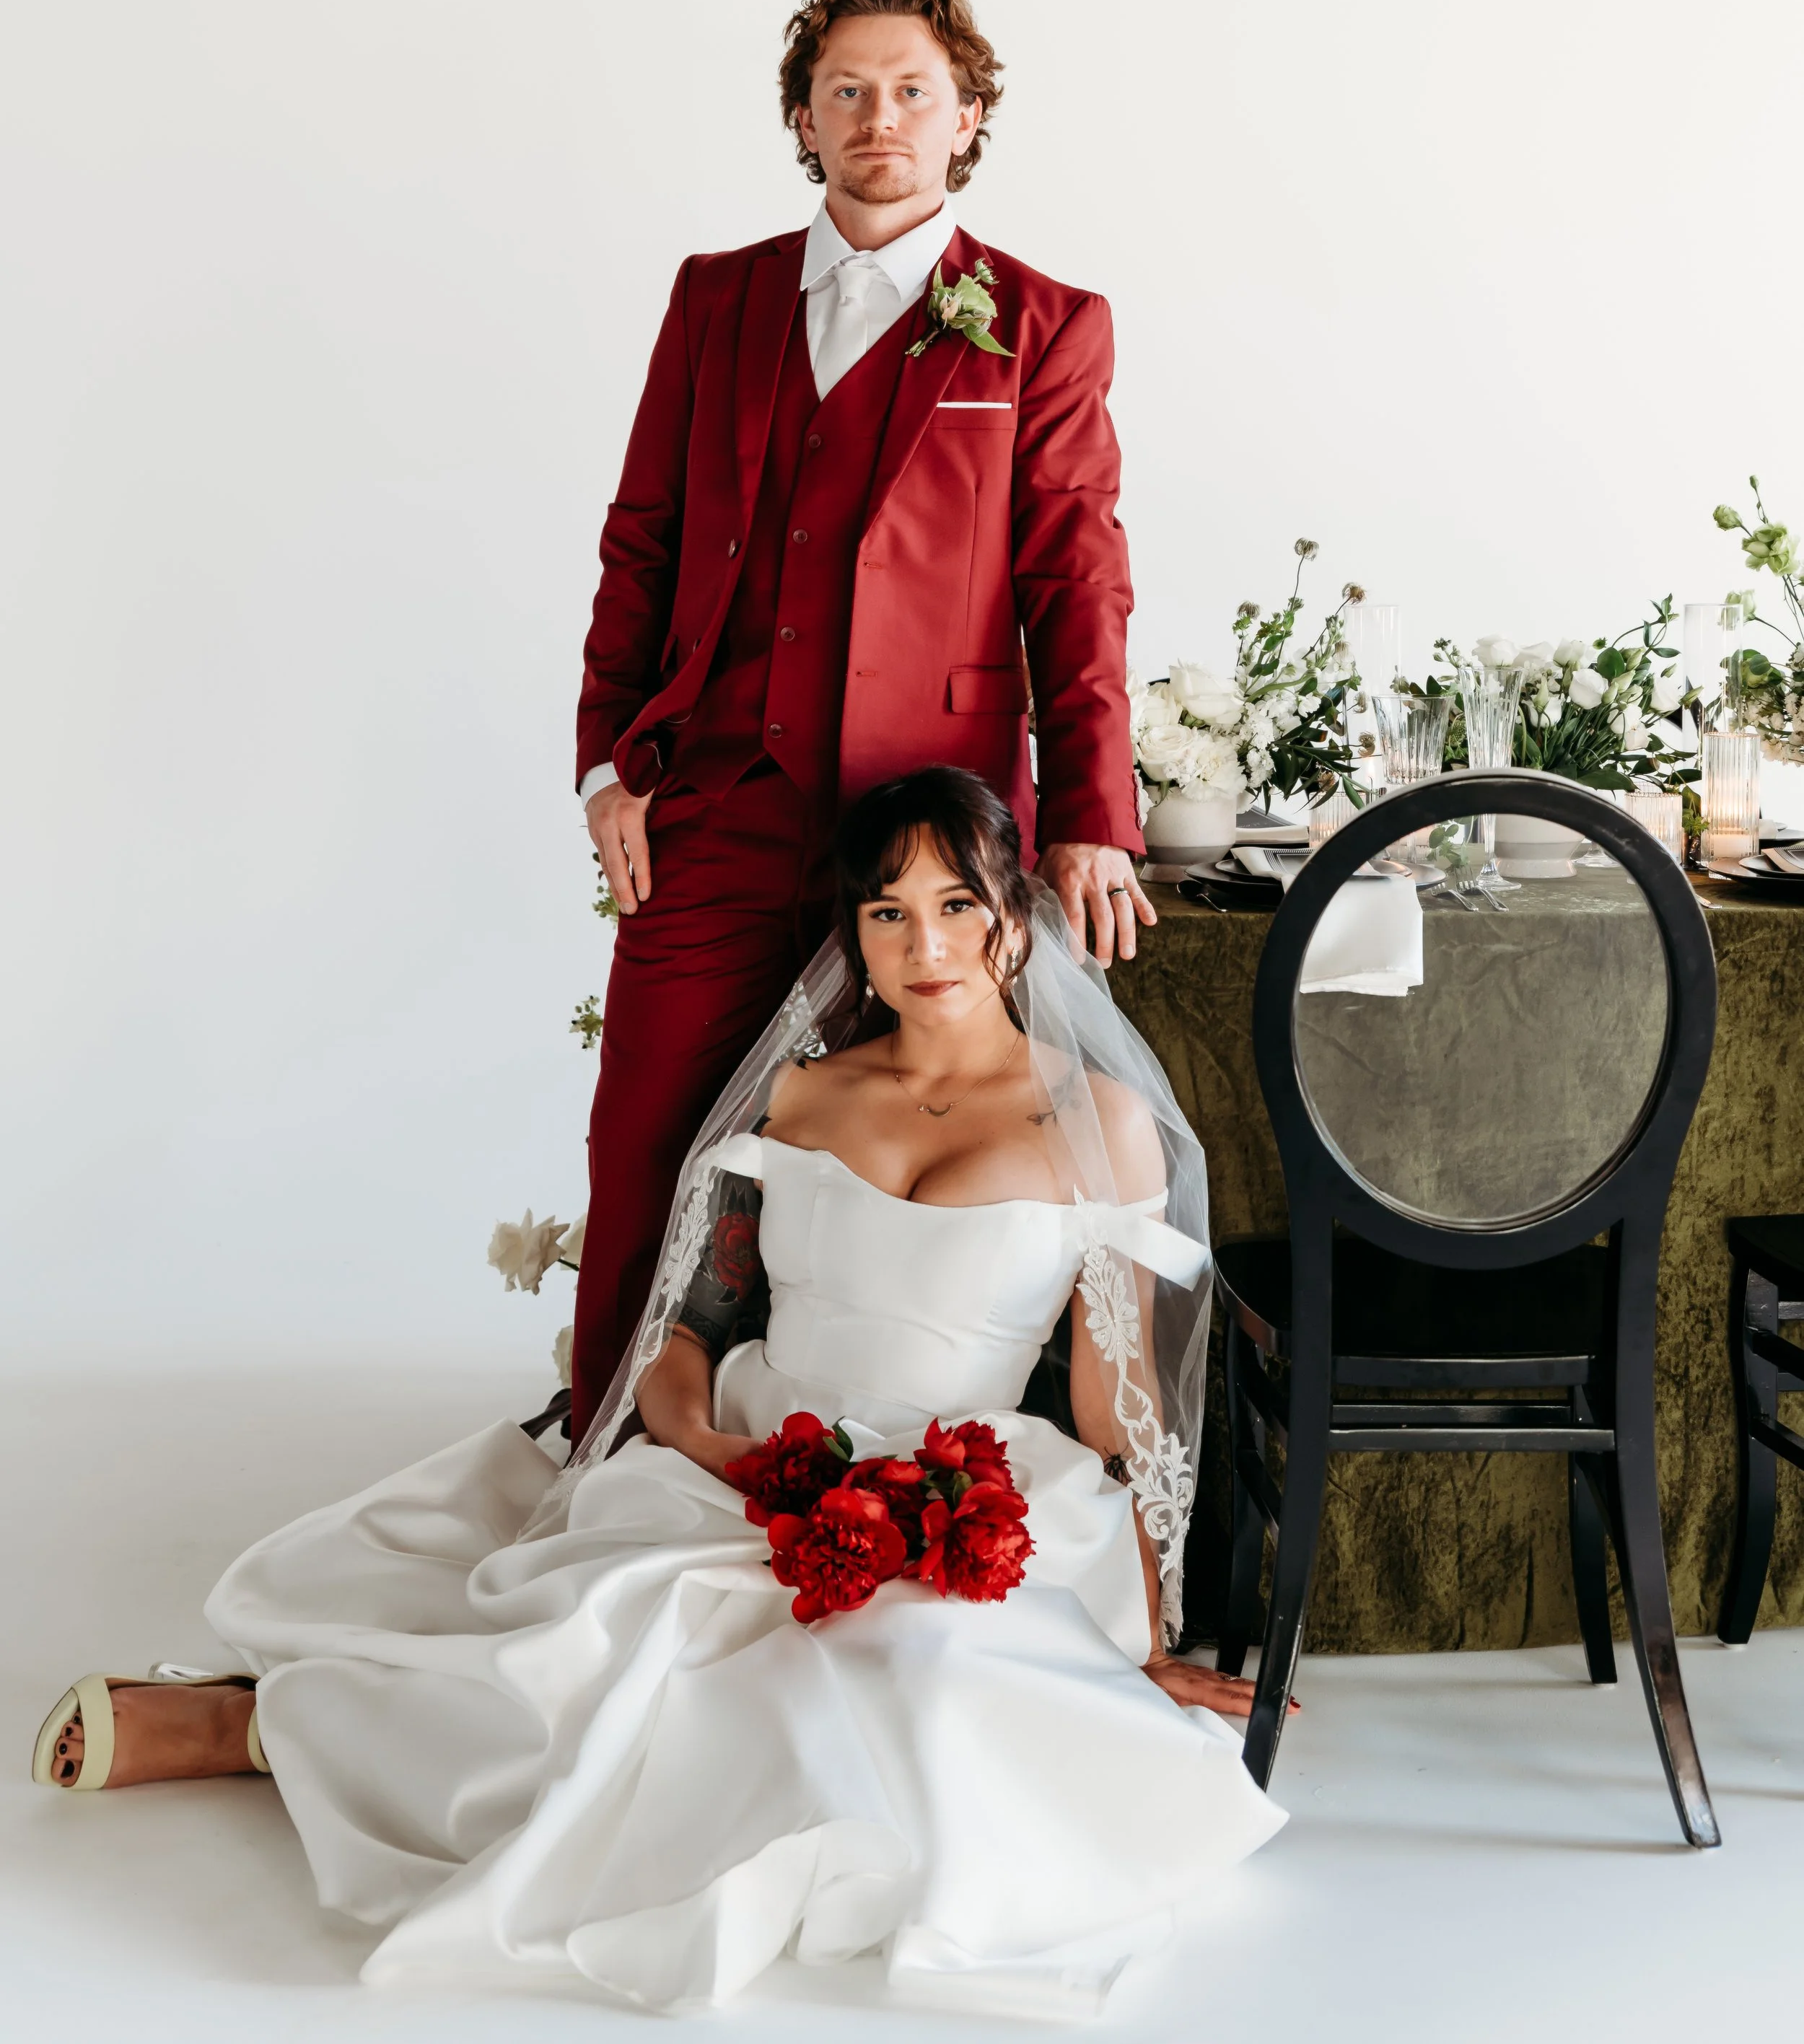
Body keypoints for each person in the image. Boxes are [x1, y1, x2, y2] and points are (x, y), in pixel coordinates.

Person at [35, 768, 1284, 2019]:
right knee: (602, 1652)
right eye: (888, 913)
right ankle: (264, 1725)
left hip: (952, 1488)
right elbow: (692, 1329)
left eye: (959, 904)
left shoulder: (1098, 1124)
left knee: (890, 1682)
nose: (927, 947)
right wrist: (705, 1442)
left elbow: (1125, 1417)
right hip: (750, 1456)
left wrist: (1142, 1642)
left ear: (1018, 911)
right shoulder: (802, 1096)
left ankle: (290, 1734)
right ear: (852, 933)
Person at [569, 0, 1156, 1436]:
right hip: (716, 799)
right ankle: (609, 1451)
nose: (878, 116)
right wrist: (605, 765)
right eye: (846, 90)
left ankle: (850, 1461)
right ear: (804, 118)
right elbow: (642, 540)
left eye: (911, 90)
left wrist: (1091, 813)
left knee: (877, 1165)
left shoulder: (1041, 322)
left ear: (966, 119)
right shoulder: (717, 300)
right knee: (648, 1143)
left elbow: (1074, 579)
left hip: (925, 840)